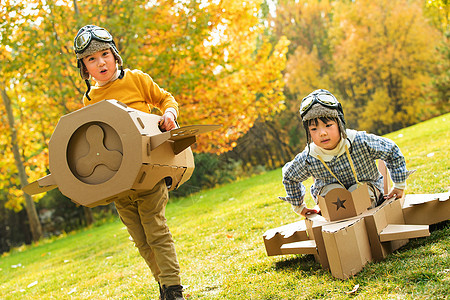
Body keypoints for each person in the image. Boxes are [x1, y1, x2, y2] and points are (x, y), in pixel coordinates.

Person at [73, 24, 184, 300]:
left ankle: (174, 289)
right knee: (141, 240)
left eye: (105, 55)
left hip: (149, 174)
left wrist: (169, 113)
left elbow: (165, 98)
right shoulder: (89, 100)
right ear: (84, 68)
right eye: (91, 59)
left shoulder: (135, 79)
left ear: (115, 56)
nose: (100, 63)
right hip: (119, 184)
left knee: (155, 230)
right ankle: (164, 286)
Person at [280, 89, 413, 217]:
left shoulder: (359, 141)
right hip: (332, 204)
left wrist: (399, 185)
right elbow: (290, 176)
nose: (322, 133)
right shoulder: (309, 157)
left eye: (328, 125)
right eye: (314, 129)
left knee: (358, 192)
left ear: (339, 123)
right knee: (333, 194)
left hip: (367, 193)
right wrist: (299, 207)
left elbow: (391, 150)